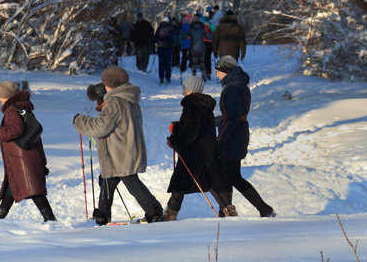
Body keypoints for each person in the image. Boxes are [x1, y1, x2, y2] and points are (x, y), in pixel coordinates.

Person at [73, 66, 164, 224]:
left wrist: (81, 121)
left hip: (120, 151)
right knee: (109, 180)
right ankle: (102, 214)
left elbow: (100, 127)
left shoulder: (115, 102)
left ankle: (153, 211)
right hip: (123, 149)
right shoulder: (128, 98)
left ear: (109, 84)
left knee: (130, 182)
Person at [212, 56, 275, 217]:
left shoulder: (232, 88)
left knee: (231, 176)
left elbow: (232, 117)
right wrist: (211, 121)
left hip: (233, 137)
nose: (217, 75)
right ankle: (227, 211)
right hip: (237, 134)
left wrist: (221, 140)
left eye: (218, 71)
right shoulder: (238, 85)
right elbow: (233, 116)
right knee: (230, 175)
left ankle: (263, 208)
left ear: (226, 71)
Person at [164, 76, 234, 220]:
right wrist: (178, 127)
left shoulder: (192, 105)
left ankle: (170, 215)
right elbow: (198, 127)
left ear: (190, 90)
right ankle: (229, 211)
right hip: (206, 151)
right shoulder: (204, 105)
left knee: (181, 183)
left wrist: (174, 139)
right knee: (209, 182)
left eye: (184, 88)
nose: (183, 92)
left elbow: (190, 131)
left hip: (194, 153)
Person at [0, 81, 57, 222]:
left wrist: (1, 132)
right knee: (12, 184)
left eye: (1, 98)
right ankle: (0, 215)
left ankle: (50, 218)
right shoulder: (22, 108)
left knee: (34, 189)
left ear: (6, 97)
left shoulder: (12, 110)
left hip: (21, 159)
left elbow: (15, 130)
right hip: (23, 157)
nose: (0, 101)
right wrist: (41, 161)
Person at [154, 15, 175, 84]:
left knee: (161, 62)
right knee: (168, 62)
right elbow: (174, 34)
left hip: (160, 46)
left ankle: (161, 77)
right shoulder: (170, 27)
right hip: (168, 46)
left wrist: (156, 42)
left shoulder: (160, 27)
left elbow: (156, 37)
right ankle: (168, 77)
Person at [187, 13, 207, 78]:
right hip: (201, 47)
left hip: (193, 47)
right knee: (202, 62)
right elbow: (208, 36)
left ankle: (194, 75)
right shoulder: (202, 27)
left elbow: (185, 36)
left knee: (194, 62)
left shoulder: (191, 28)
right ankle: (203, 75)